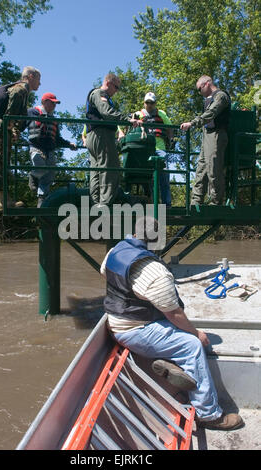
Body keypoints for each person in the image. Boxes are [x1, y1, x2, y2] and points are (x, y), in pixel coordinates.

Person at [100, 216, 243, 431]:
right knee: (191, 345)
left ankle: (173, 366)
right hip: (134, 330)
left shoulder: (115, 252)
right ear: (158, 239)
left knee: (176, 329)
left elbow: (107, 275)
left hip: (116, 320)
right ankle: (209, 415)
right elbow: (175, 313)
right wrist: (197, 334)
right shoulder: (154, 271)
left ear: (135, 233)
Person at [0, 66, 41, 211]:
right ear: (30, 76)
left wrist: (14, 130)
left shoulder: (23, 91)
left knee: (4, 161)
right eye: (38, 79)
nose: (39, 84)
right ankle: (2, 202)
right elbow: (10, 115)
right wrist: (12, 129)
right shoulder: (20, 90)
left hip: (3, 127)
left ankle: (6, 200)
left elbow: (15, 117)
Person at [85, 72, 142, 206]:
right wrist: (127, 120)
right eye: (116, 87)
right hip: (101, 135)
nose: (117, 91)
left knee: (96, 169)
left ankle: (95, 202)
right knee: (110, 167)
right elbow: (106, 111)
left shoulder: (98, 95)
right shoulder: (99, 94)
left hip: (95, 135)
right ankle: (105, 204)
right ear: (109, 83)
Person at [180, 75, 231, 206]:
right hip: (207, 135)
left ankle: (216, 201)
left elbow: (212, 112)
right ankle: (196, 201)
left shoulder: (221, 96)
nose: (199, 92)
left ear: (207, 84)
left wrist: (192, 123)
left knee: (214, 168)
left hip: (217, 135)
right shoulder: (209, 99)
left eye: (199, 89)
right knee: (201, 169)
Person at [27, 92, 77, 207]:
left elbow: (57, 138)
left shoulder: (53, 119)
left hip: (49, 149)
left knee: (50, 173)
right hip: (36, 147)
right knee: (39, 164)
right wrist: (14, 132)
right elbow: (20, 124)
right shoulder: (32, 112)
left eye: (55, 104)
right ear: (44, 102)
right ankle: (33, 175)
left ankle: (42, 199)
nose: (54, 106)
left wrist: (69, 144)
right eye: (52, 103)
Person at [133, 92, 173, 207]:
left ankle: (167, 204)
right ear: (144, 103)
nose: (149, 105)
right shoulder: (137, 114)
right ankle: (154, 203)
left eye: (152, 102)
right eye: (147, 102)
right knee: (150, 178)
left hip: (160, 148)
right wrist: (121, 132)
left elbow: (170, 127)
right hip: (145, 149)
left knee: (164, 175)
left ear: (155, 103)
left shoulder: (161, 114)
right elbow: (122, 124)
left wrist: (170, 140)